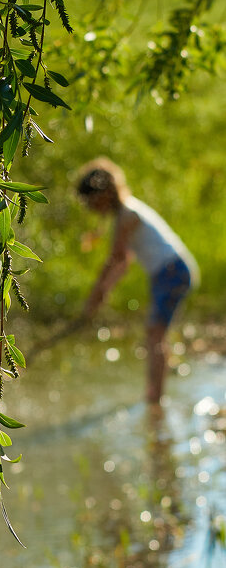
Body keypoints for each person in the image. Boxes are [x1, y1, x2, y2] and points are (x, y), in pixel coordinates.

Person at [76, 157, 199, 404]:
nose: (89, 207)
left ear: (105, 194)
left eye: (90, 200)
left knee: (155, 333)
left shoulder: (127, 215)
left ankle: (155, 399)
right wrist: (104, 291)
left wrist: (96, 295)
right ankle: (162, 380)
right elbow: (123, 262)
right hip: (167, 272)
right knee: (156, 332)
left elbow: (115, 259)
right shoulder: (126, 213)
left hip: (172, 271)